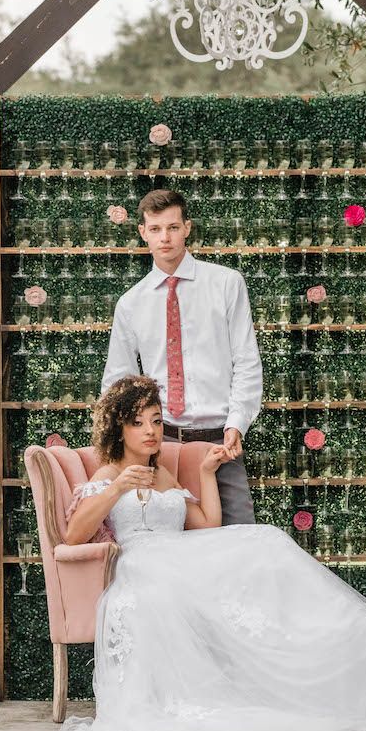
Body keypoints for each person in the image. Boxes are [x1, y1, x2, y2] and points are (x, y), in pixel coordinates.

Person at [56, 375, 366, 731]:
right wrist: (117, 488)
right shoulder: (108, 474)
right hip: (144, 563)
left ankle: (332, 636)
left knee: (266, 539)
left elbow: (207, 525)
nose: (150, 431)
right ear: (119, 428)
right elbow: (74, 536)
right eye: (138, 422)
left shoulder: (163, 474)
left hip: (182, 555)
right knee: (243, 553)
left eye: (157, 420)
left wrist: (207, 475)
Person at [102, 189, 262, 526]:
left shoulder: (226, 283)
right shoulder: (131, 303)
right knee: (173, 545)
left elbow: (247, 360)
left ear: (187, 228)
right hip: (161, 445)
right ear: (143, 233)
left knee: (240, 538)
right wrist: (128, 443)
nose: (165, 238)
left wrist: (237, 423)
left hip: (221, 442)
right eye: (156, 229)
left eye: (173, 227)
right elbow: (119, 382)